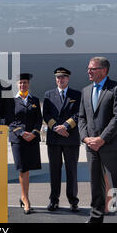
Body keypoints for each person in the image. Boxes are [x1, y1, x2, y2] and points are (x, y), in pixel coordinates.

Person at [78, 56, 117, 223]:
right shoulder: (85, 91)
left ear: (103, 70)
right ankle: (96, 217)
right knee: (95, 183)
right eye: (88, 68)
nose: (88, 71)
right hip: (91, 146)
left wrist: (101, 139)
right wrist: (86, 138)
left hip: (111, 145)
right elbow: (81, 118)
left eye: (92, 69)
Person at [43, 67, 81, 213]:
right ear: (55, 79)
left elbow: (78, 114)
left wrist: (65, 126)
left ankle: (73, 201)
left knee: (72, 171)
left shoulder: (76, 94)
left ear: (68, 79)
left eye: (63, 77)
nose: (61, 79)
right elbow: (45, 114)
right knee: (54, 171)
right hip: (54, 139)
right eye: (58, 77)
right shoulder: (48, 95)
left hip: (70, 138)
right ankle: (54, 200)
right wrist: (56, 128)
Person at [8, 73, 42, 215]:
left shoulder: (34, 100)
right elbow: (9, 120)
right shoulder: (11, 101)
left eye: (25, 83)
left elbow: (38, 119)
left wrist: (33, 133)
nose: (23, 85)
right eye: (20, 83)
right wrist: (22, 133)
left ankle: (24, 196)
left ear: (29, 84)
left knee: (28, 168)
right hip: (18, 138)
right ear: (17, 84)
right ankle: (25, 198)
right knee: (23, 169)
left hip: (32, 138)